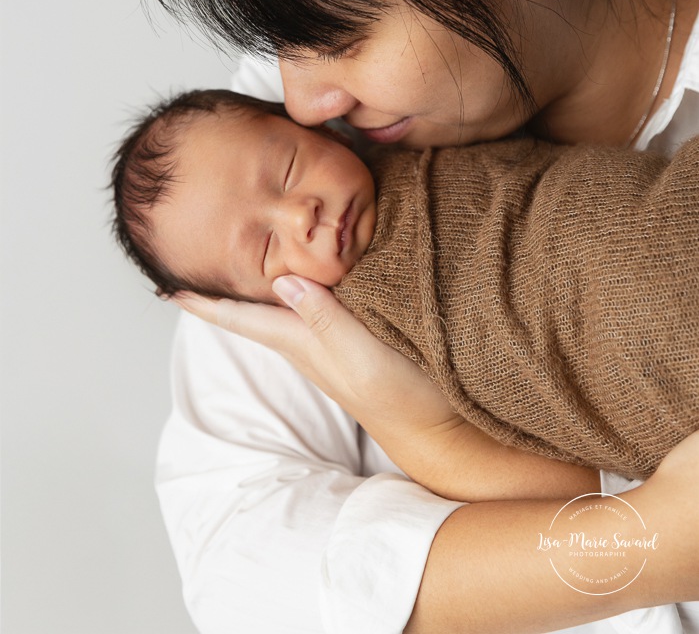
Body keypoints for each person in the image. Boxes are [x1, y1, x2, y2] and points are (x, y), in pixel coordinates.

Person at [135, 0, 699, 630]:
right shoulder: (285, 174)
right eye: (280, 38)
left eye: (339, 32)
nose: (302, 91)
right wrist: (655, 543)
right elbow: (244, 575)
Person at [113, 87, 698, 485]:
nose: (301, 216)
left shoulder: (410, 132)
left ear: (325, 131)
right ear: (269, 299)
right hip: (643, 369)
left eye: (289, 169)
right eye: (267, 248)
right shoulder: (363, 334)